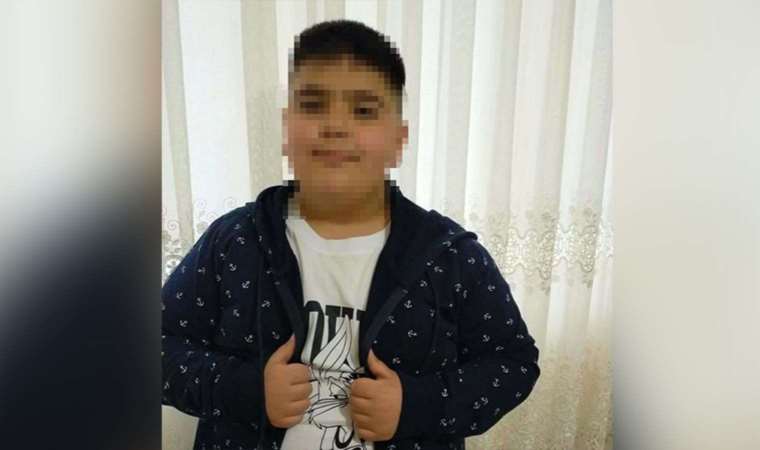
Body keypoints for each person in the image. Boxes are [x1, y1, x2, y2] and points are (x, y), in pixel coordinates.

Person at [162, 19, 540, 450]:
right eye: (313, 105)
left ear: (399, 139)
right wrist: (244, 390)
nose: (336, 125)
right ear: (286, 128)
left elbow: (513, 363)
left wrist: (416, 405)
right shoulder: (234, 242)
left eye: (364, 110)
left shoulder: (451, 257)